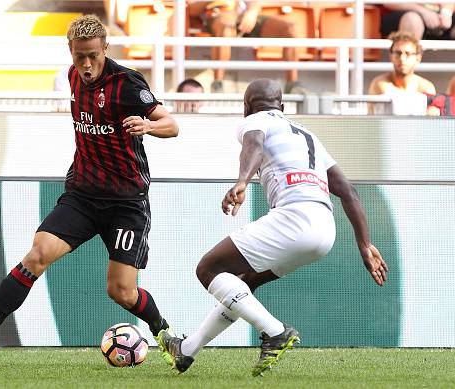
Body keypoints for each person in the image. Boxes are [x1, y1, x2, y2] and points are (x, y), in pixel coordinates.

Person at [0, 15, 180, 365]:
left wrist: (147, 125)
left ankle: (163, 331)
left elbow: (172, 124)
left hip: (126, 203)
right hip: (84, 195)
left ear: (106, 48)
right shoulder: (72, 76)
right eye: (79, 56)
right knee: (37, 254)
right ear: (70, 51)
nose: (86, 65)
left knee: (121, 291)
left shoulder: (127, 83)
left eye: (92, 56)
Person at [157, 78, 388, 377]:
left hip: (293, 219)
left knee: (208, 269)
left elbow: (254, 144)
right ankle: (187, 350)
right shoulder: (309, 136)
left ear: (246, 107)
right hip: (324, 231)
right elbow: (348, 192)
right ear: (282, 106)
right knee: (244, 283)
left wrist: (242, 181)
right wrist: (365, 245)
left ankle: (276, 331)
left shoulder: (253, 122)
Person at [188, 0, 301, 93]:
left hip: (243, 16)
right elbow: (191, 9)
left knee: (290, 27)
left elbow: (255, 3)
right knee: (226, 25)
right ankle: (218, 84)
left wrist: (251, 13)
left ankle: (292, 85)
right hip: (218, 16)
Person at [368, 31, 436, 114]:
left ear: (418, 58)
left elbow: (432, 120)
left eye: (408, 54)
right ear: (391, 56)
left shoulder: (426, 87)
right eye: (398, 53)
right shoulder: (380, 83)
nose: (402, 58)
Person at [380, 3, 455, 40]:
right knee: (412, 19)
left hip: (438, 16)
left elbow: (449, 2)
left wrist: (446, 12)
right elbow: (388, 2)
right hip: (404, 13)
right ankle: (408, 69)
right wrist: (422, 11)